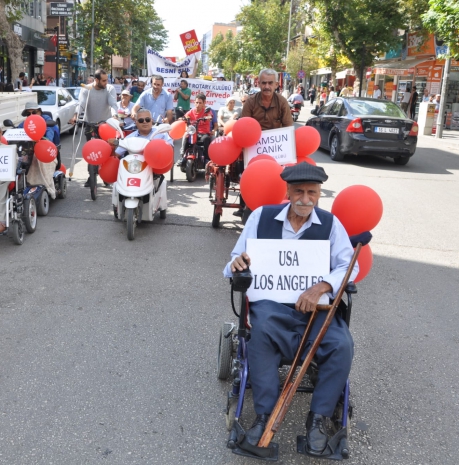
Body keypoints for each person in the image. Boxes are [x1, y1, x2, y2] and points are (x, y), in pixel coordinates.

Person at [224, 162, 358, 455]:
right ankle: (263, 416)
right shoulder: (261, 217)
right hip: (271, 305)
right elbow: (235, 258)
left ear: (320, 193)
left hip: (317, 309)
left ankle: (319, 419)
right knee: (261, 335)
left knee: (341, 343)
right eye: (299, 191)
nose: (305, 199)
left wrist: (323, 286)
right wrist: (237, 264)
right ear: (287, 191)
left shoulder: (331, 224)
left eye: (312, 192)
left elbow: (349, 265)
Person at [238, 68, 293, 217]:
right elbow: (244, 127)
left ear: (276, 84)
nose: (267, 86)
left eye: (270, 83)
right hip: (253, 149)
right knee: (242, 169)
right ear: (259, 83)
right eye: (264, 83)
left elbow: (288, 128)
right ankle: (245, 202)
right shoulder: (250, 103)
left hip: (277, 151)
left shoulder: (282, 102)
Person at [69, 68, 118, 188]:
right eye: (104, 80)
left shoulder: (109, 89)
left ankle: (107, 176)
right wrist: (75, 116)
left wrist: (115, 116)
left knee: (107, 151)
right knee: (92, 151)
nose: (106, 82)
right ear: (96, 80)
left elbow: (113, 104)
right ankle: (92, 175)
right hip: (90, 123)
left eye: (107, 80)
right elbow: (81, 104)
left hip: (106, 125)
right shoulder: (87, 89)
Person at [18, 102, 61, 199]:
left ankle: (46, 186)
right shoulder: (25, 124)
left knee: (37, 158)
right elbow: (16, 131)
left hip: (46, 152)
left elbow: (50, 137)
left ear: (40, 112)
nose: (31, 115)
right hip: (28, 153)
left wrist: (40, 139)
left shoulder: (47, 121)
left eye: (34, 112)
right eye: (28, 114)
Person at [181, 93, 216, 165]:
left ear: (204, 103)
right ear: (194, 102)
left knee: (206, 139)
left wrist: (207, 118)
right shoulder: (191, 111)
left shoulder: (207, 111)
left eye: (200, 103)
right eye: (196, 102)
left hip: (203, 133)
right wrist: (182, 118)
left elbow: (210, 117)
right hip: (193, 132)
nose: (198, 104)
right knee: (186, 135)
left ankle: (207, 158)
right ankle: (183, 156)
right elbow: (185, 117)